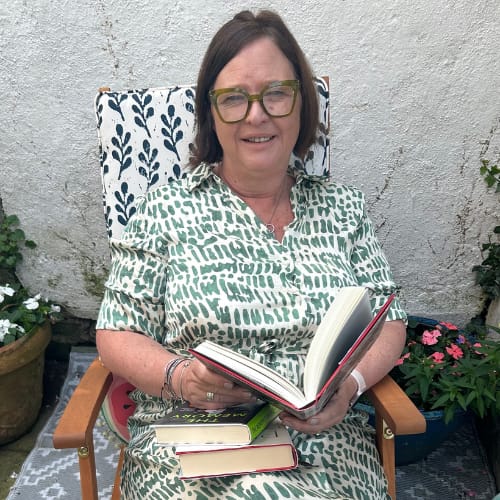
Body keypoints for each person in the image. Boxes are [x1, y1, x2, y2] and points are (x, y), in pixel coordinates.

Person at [96, 9, 407, 500]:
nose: (257, 115)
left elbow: (390, 319)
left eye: (277, 93)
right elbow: (117, 330)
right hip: (193, 442)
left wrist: (351, 387)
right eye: (235, 98)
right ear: (211, 114)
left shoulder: (343, 209)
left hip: (323, 445)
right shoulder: (165, 210)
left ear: (302, 106)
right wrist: (180, 378)